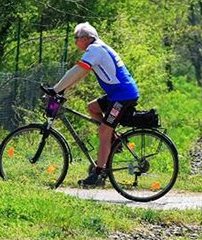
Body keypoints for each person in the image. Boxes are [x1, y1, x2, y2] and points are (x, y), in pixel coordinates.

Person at [49, 22, 139, 187]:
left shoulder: (95, 50)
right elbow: (80, 75)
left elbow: (78, 71)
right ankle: (114, 142)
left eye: (76, 38)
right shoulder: (98, 48)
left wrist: (56, 89)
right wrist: (62, 90)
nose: (75, 42)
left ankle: (97, 175)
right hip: (117, 94)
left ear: (86, 38)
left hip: (122, 96)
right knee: (92, 108)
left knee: (104, 132)